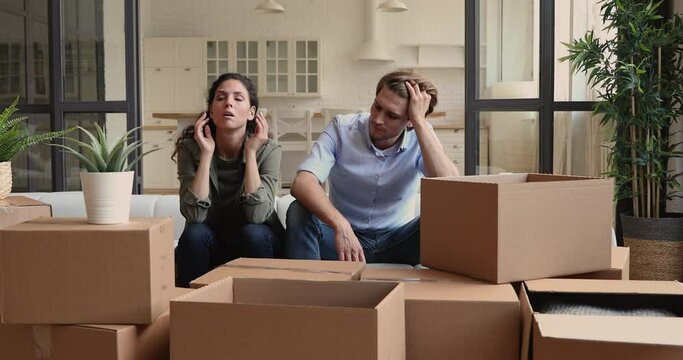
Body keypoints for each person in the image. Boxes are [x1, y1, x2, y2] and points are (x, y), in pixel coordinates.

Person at [284, 71, 459, 265]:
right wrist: (341, 226)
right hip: (343, 243)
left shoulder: (421, 134)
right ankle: (307, 292)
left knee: (448, 214)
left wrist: (419, 122)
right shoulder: (341, 129)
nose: (377, 119)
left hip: (399, 242)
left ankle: (442, 293)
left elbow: (451, 187)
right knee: (298, 210)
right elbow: (302, 182)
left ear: (409, 120)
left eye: (392, 115)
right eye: (377, 106)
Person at [173, 73, 284, 288]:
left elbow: (257, 215)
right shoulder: (190, 148)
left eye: (238, 98)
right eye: (221, 97)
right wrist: (206, 154)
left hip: (256, 243)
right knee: (194, 234)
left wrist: (251, 153)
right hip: (210, 242)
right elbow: (195, 215)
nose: (229, 103)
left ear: (252, 113)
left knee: (254, 233)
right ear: (211, 110)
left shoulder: (269, 150)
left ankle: (258, 308)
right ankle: (189, 308)